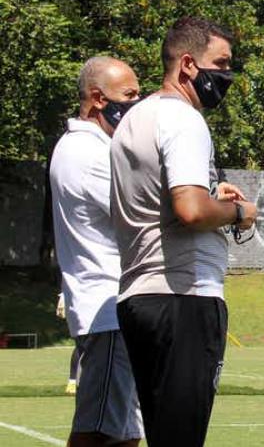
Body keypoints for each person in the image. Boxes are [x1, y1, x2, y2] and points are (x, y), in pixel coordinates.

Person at [111, 17, 257, 447]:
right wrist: (238, 212)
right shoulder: (184, 119)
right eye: (222, 63)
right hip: (184, 296)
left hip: (140, 296)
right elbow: (190, 210)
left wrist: (213, 194)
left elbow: (160, 200)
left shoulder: (134, 120)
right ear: (189, 64)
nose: (228, 75)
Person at [49, 56, 143, 446]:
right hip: (108, 312)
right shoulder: (89, 153)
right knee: (98, 432)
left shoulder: (95, 148)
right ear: (97, 98)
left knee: (124, 432)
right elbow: (145, 211)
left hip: (119, 311)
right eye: (130, 95)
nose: (138, 103)